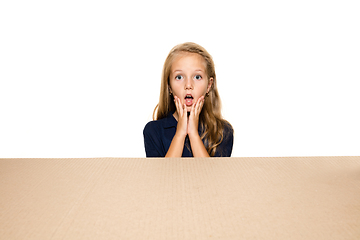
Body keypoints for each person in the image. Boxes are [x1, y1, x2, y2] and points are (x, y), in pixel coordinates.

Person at [143, 42, 233, 157]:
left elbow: (211, 175)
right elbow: (164, 174)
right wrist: (180, 133)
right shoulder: (153, 131)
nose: (188, 85)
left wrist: (193, 134)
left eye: (197, 77)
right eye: (179, 77)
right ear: (169, 86)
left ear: (209, 85)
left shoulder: (222, 131)